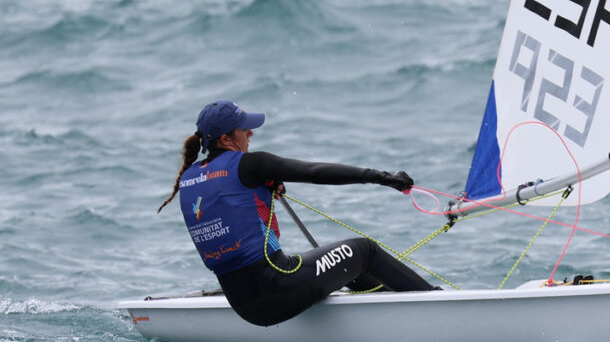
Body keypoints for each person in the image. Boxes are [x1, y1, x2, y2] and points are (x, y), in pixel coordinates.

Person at [157, 100, 437, 326]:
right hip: (277, 287)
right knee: (364, 252)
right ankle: (434, 308)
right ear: (226, 139)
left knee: (344, 265)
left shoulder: (191, 179)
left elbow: (231, 202)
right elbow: (313, 172)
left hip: (245, 306)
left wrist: (261, 188)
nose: (251, 133)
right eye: (244, 130)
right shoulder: (250, 164)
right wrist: (381, 176)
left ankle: (391, 315)